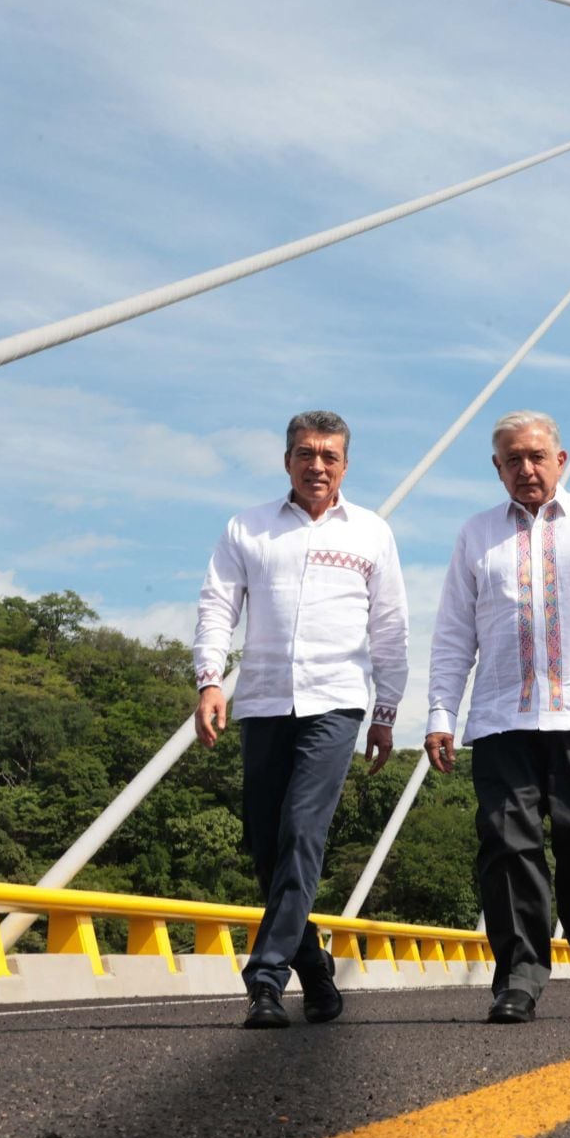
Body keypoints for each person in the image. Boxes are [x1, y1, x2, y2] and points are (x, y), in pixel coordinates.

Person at [426, 410, 570, 1024]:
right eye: (512, 459)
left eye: (536, 456)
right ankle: (520, 976)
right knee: (507, 845)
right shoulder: (476, 535)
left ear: (560, 460)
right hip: (502, 716)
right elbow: (453, 633)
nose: (525, 468)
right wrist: (440, 712)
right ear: (497, 468)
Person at [192, 410, 408, 1030]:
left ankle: (265, 978)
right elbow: (216, 606)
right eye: (306, 454)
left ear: (346, 464)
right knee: (266, 846)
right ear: (286, 459)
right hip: (261, 701)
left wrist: (386, 712)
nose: (318, 466)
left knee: (302, 833)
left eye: (330, 456)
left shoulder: (371, 533)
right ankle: (315, 970)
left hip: (335, 703)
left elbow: (390, 628)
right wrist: (210, 679)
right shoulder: (248, 527)